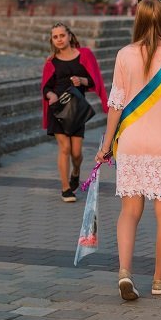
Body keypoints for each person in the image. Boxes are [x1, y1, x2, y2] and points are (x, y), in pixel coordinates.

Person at [95, 0, 161, 301]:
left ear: (136, 20)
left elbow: (116, 103)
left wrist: (107, 143)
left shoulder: (124, 55)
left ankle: (125, 272)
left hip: (131, 141)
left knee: (129, 211)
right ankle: (159, 281)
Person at [41, 23, 108, 202]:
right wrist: (51, 94)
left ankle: (76, 172)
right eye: (55, 37)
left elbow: (94, 81)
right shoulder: (51, 61)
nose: (59, 39)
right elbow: (45, 87)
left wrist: (81, 80)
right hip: (57, 109)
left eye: (62, 35)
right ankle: (65, 189)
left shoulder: (84, 55)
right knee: (65, 148)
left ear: (70, 36)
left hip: (77, 109)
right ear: (52, 40)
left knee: (77, 153)